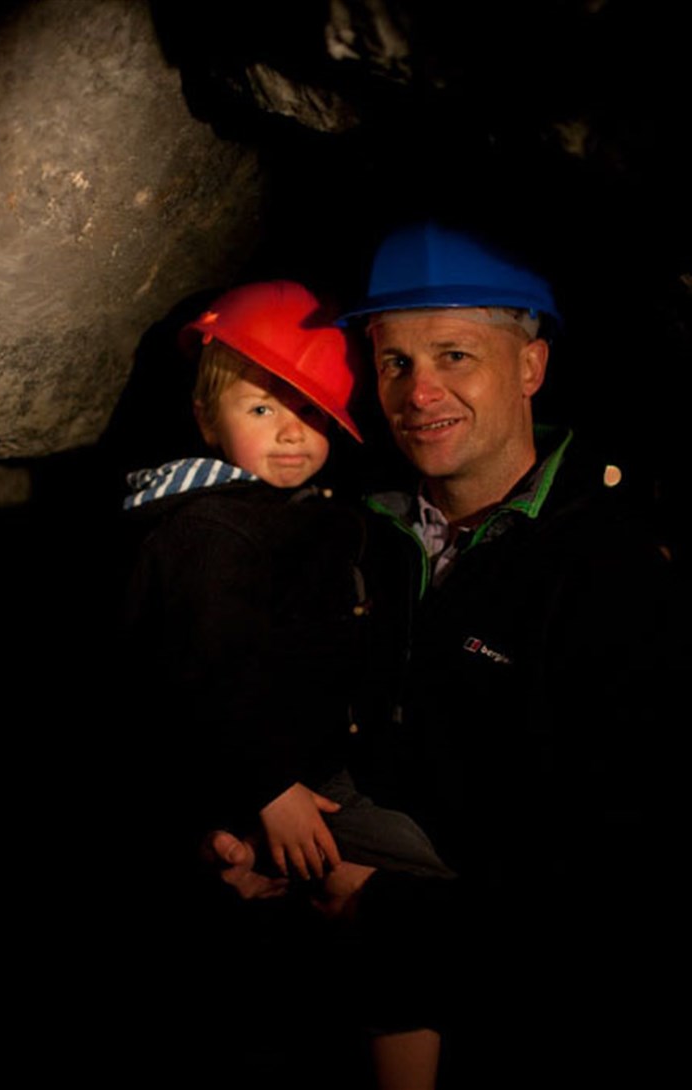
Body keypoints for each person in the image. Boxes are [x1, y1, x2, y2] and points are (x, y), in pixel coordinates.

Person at [208, 226, 678, 1086]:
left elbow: (627, 882)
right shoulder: (346, 526)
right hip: (317, 967)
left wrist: (381, 910)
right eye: (394, 364)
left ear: (530, 367)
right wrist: (246, 830)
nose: (420, 393)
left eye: (455, 356)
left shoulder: (614, 570)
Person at [122, 279, 450, 898]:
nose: (293, 432)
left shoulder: (299, 511)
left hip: (317, 766)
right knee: (425, 877)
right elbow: (202, 672)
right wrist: (268, 791)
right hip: (266, 782)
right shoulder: (210, 531)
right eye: (262, 408)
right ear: (207, 419)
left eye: (313, 411)